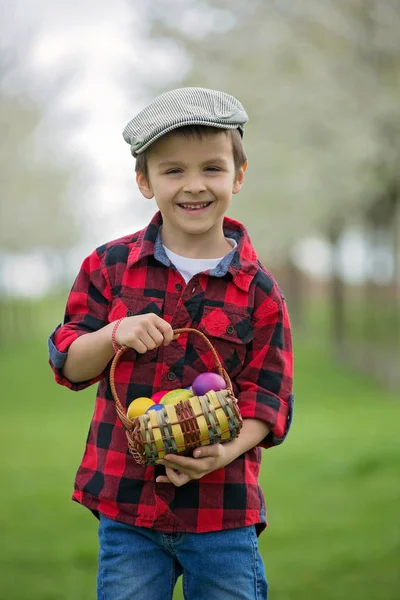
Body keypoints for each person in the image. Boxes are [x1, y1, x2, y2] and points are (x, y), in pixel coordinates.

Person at [48, 87, 294, 600]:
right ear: (144, 181)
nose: (194, 186)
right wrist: (114, 333)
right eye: (173, 170)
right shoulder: (109, 267)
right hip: (127, 509)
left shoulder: (260, 291)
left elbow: (268, 397)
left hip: (223, 512)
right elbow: (68, 363)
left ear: (239, 176)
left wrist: (222, 451)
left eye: (212, 168)